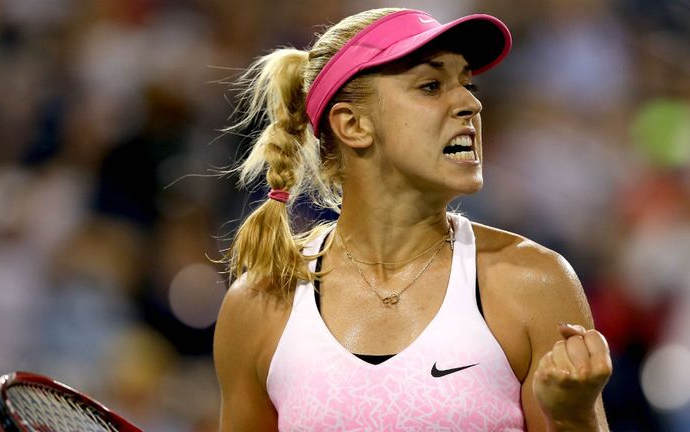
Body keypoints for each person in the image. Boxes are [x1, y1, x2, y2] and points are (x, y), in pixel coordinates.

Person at [214, 7, 612, 431]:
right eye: (431, 85)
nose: (470, 102)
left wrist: (573, 417)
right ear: (352, 125)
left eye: (467, 82)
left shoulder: (534, 283)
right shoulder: (259, 304)